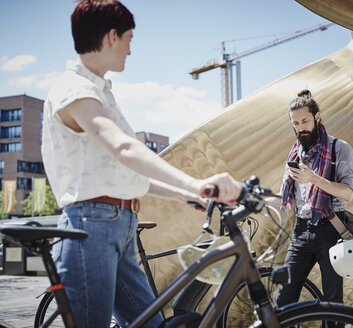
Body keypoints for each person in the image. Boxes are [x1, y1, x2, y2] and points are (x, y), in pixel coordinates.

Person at [41, 1, 242, 327]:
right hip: (91, 227)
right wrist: (195, 183)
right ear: (111, 37)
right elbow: (124, 148)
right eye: (129, 39)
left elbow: (123, 172)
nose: (130, 50)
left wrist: (183, 194)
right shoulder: (75, 89)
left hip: (116, 226)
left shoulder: (99, 89)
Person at [276, 90, 353, 314]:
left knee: (332, 302)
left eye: (305, 121)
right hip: (301, 230)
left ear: (317, 117)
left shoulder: (339, 148)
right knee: (284, 300)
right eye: (296, 123)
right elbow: (286, 195)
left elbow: (348, 193)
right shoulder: (295, 153)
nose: (301, 127)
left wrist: (314, 179)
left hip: (331, 228)